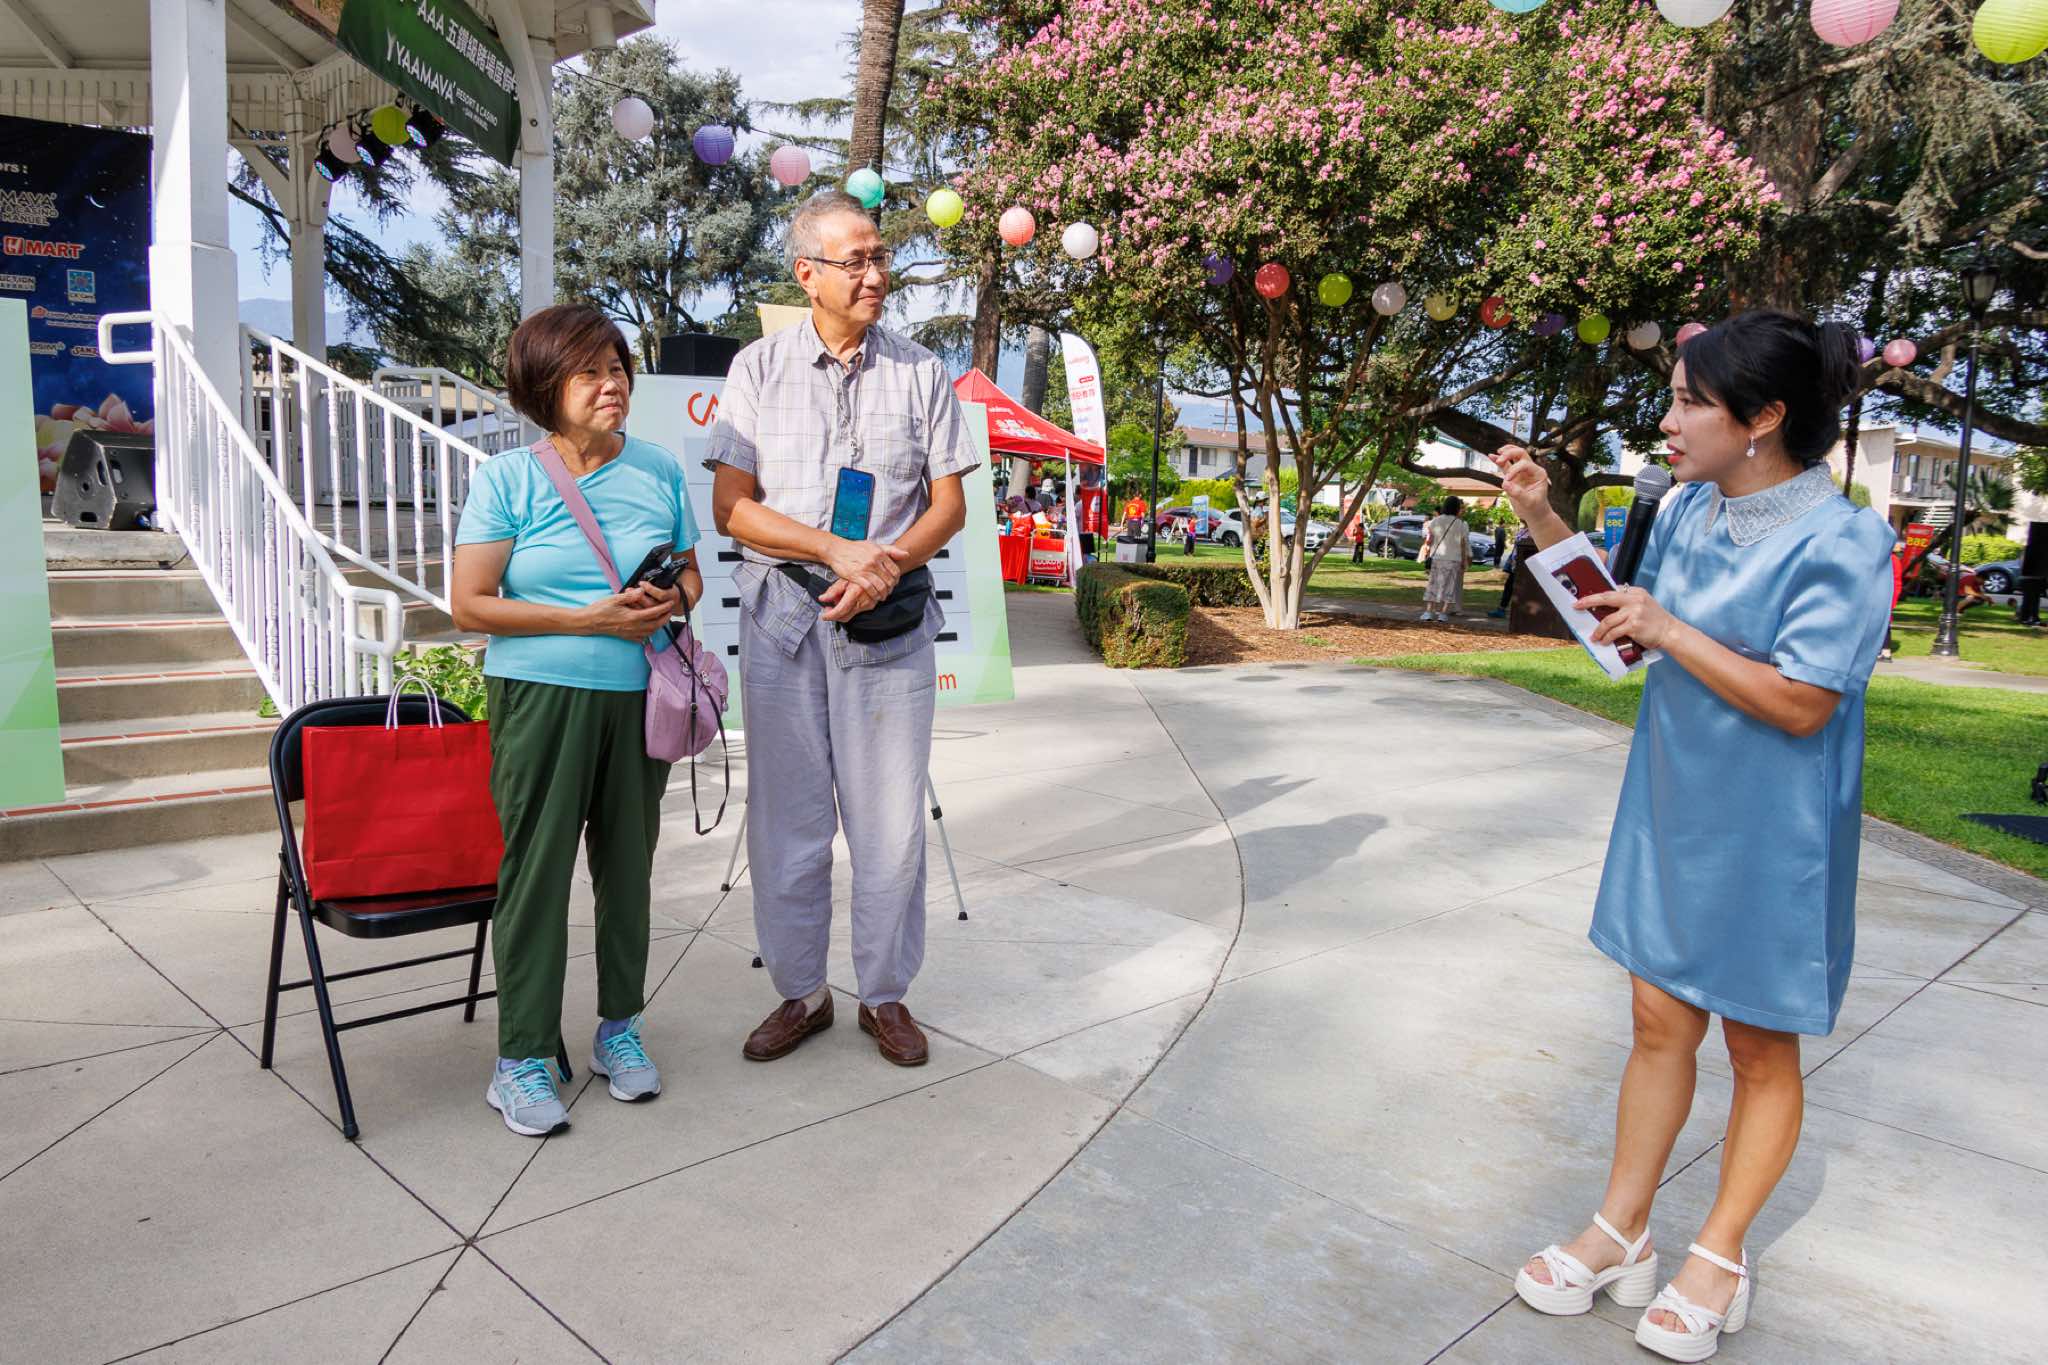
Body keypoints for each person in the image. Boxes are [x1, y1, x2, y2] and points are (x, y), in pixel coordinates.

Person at [1502, 311, 1893, 1362]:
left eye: (1689, 402)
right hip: (1671, 803)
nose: (1667, 422)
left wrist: (1674, 628)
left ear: (1762, 418)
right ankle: (1621, 1229)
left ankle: (1718, 1256)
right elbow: (1620, 641)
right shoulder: (1683, 510)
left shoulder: (1845, 539)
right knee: (1655, 1021)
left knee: (1759, 1046)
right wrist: (1543, 518)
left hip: (1776, 830)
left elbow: (1804, 702)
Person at [707, 190, 978, 1068]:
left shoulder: (923, 372)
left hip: (889, 626)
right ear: (807, 274)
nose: (874, 274)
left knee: (891, 826)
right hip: (783, 622)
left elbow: (948, 507)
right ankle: (802, 992)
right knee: (786, 823)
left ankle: (886, 995)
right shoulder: (757, 369)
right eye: (854, 260)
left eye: (879, 257)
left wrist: (880, 568)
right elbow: (731, 508)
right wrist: (834, 550)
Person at [450, 304, 704, 1137]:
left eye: (618, 368)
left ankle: (619, 1028)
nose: (612, 384)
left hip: (639, 698)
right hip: (539, 697)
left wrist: (667, 597)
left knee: (628, 869)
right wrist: (584, 618)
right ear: (544, 386)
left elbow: (692, 577)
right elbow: (469, 604)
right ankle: (521, 1055)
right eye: (589, 372)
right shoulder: (508, 479)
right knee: (537, 872)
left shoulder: (659, 469)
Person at [1418, 496, 1471, 621]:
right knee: (1450, 586)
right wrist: (1464, 560)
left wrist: (1427, 552)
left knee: (1433, 584)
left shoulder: (1436, 521)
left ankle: (1429, 611)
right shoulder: (1460, 524)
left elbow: (1430, 539)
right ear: (1457, 508)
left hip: (1438, 557)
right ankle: (1443, 613)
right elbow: (1463, 544)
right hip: (1454, 559)